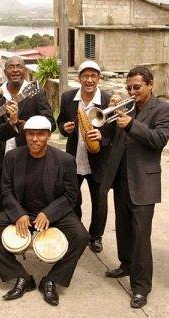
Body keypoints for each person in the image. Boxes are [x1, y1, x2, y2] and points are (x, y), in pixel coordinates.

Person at [0, 116, 89, 306]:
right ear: (25, 135)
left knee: (81, 236)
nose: (35, 139)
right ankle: (21, 277)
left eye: (40, 134)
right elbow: (5, 190)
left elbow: (71, 196)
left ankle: (52, 279)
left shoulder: (65, 160)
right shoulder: (12, 157)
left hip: (53, 212)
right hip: (23, 211)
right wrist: (18, 214)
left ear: (48, 135)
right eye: (31, 134)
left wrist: (49, 213)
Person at [100, 66, 169, 309]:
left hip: (143, 180)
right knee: (123, 228)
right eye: (129, 88)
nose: (132, 92)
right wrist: (110, 121)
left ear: (150, 85)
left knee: (141, 236)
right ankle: (126, 264)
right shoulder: (126, 106)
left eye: (137, 87)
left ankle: (141, 287)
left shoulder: (163, 109)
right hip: (120, 178)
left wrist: (131, 124)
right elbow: (111, 137)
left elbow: (159, 140)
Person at [0, 56, 56, 213]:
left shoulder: (35, 92)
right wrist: (10, 125)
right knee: (4, 203)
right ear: (5, 71)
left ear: (25, 70)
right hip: (4, 160)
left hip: (30, 159)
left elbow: (51, 123)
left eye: (19, 66)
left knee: (30, 202)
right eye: (11, 67)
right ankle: (6, 236)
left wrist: (29, 127)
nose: (15, 70)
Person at [57, 60, 110, 253]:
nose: (89, 80)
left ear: (99, 78)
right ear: (79, 78)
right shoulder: (68, 97)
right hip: (74, 159)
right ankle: (77, 232)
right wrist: (64, 128)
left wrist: (102, 138)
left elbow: (115, 133)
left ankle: (96, 237)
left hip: (98, 161)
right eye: (85, 76)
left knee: (99, 201)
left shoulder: (107, 100)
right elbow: (60, 121)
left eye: (93, 76)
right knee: (72, 199)